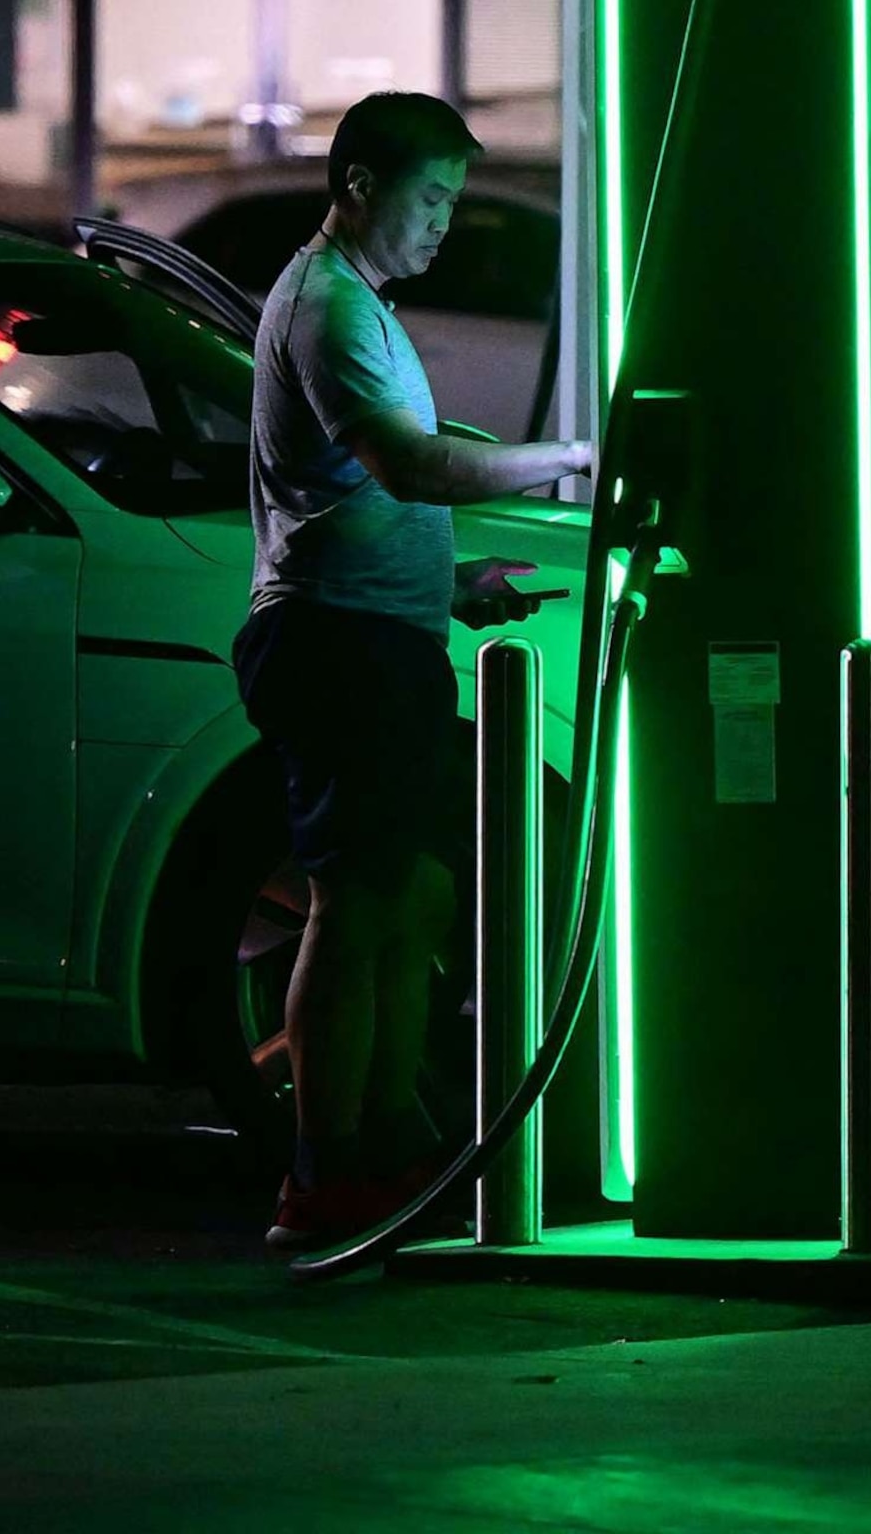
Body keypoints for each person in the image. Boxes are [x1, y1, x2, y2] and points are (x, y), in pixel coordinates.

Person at [230, 91, 593, 1250]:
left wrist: (446, 583)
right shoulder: (331, 307)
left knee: (411, 896)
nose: (444, 222)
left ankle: (379, 1142)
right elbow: (414, 462)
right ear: (359, 186)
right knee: (355, 905)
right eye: (431, 196)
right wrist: (578, 455)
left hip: (372, 634)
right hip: (339, 649)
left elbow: (352, 492)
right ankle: (325, 1173)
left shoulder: (352, 304)